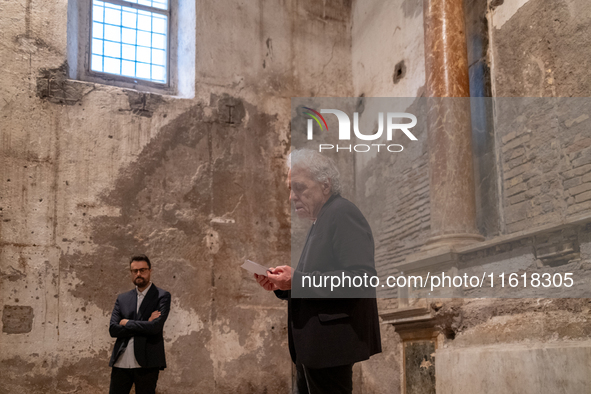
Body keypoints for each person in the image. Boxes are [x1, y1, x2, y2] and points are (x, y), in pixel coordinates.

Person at [255, 149, 382, 394]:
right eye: (290, 189)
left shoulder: (342, 213)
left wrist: (297, 280)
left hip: (330, 345)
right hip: (315, 346)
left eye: (300, 188)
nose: (292, 197)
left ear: (326, 185)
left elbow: (361, 279)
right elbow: (312, 281)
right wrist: (283, 285)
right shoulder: (322, 218)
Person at [108, 255, 171, 394]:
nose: (138, 274)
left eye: (142, 270)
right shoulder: (123, 298)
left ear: (150, 270)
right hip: (121, 362)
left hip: (147, 361)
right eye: (134, 271)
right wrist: (145, 323)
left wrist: (127, 323)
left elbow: (155, 327)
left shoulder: (162, 296)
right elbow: (113, 330)